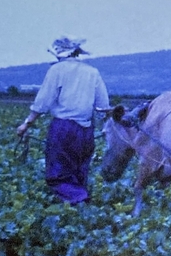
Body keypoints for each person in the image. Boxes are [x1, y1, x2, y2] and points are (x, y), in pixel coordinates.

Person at [16, 36, 110, 204]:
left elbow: (43, 102)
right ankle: (81, 208)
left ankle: (79, 200)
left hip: (63, 128)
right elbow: (103, 106)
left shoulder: (57, 70)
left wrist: (26, 124)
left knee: (58, 175)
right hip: (86, 130)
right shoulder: (92, 72)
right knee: (80, 171)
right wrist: (106, 126)